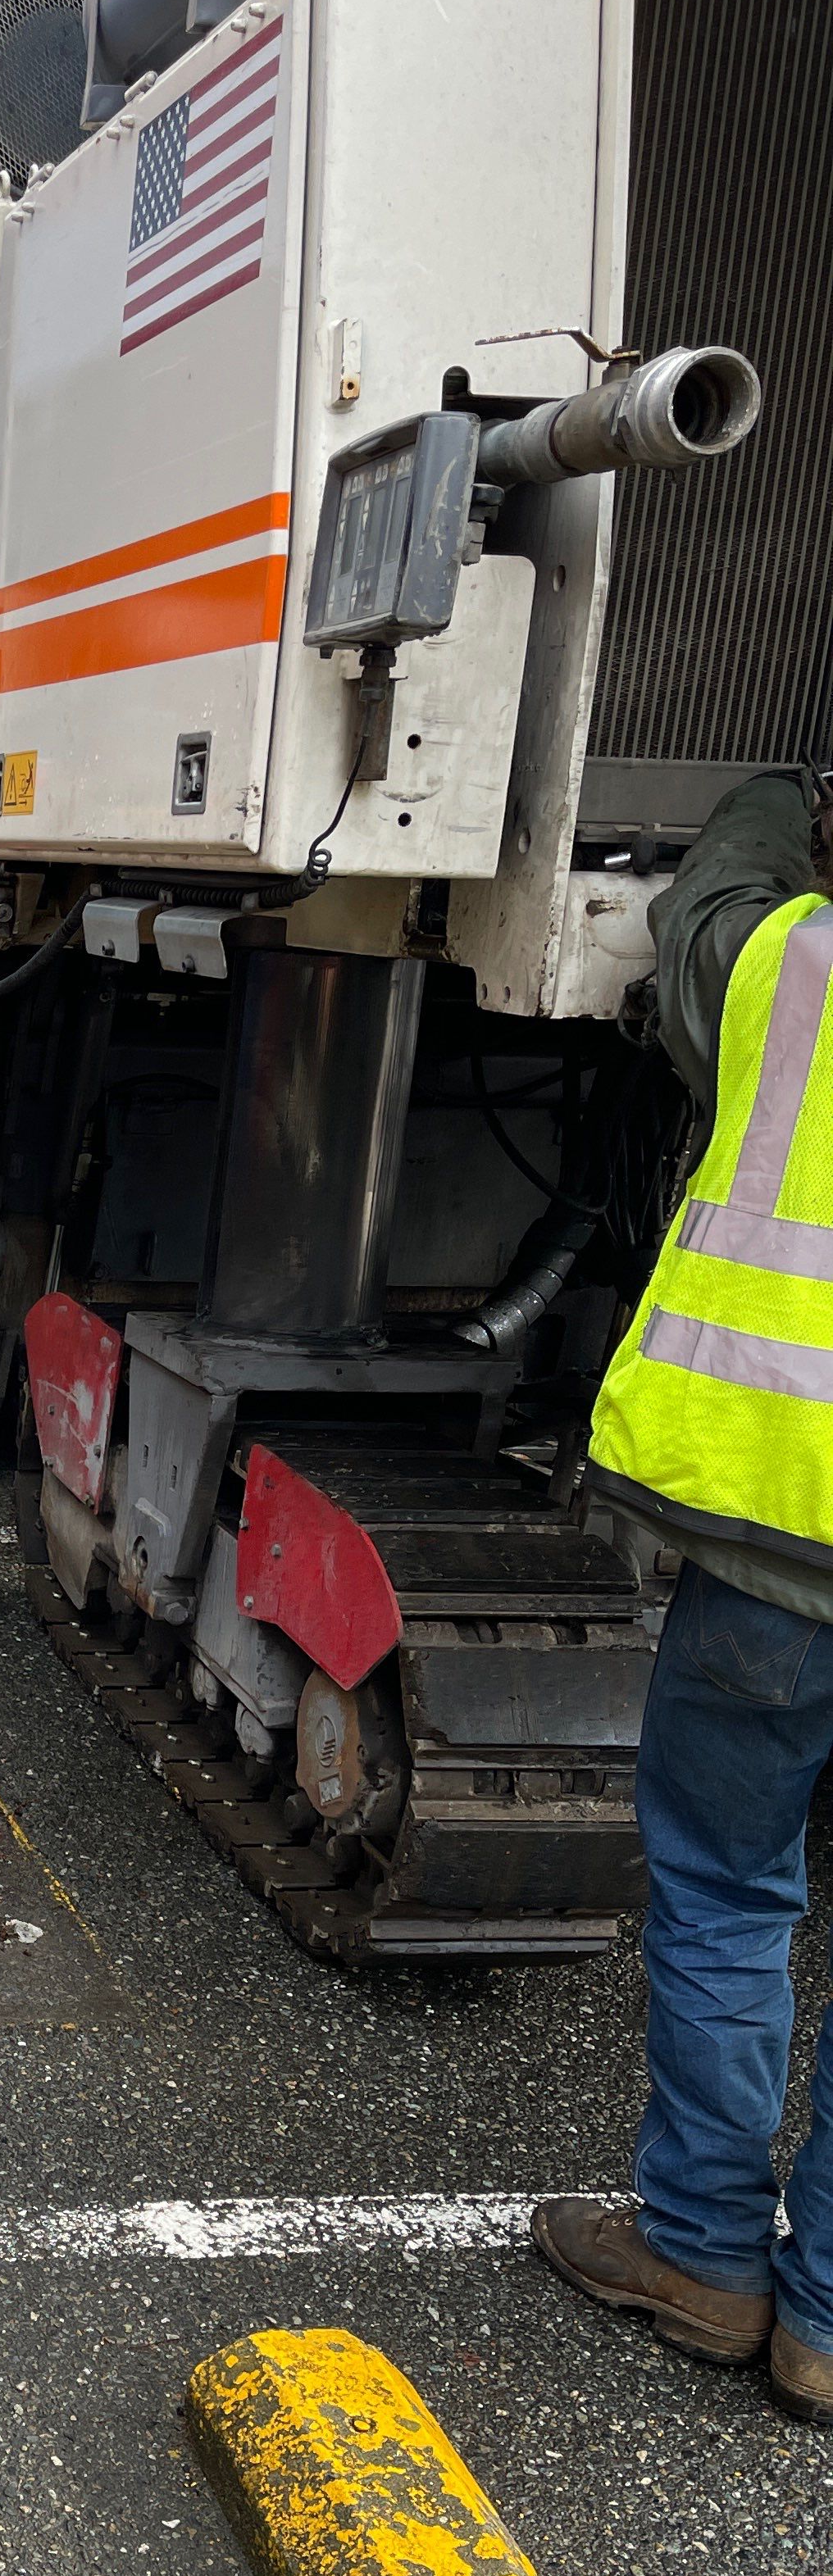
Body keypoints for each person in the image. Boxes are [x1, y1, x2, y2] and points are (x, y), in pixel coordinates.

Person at [535, 770, 833, 2427]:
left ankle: (706, 2255)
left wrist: (786, 793)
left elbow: (705, 910)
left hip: (778, 1543)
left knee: (727, 1891)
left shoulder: (795, 961)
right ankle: (827, 2320)